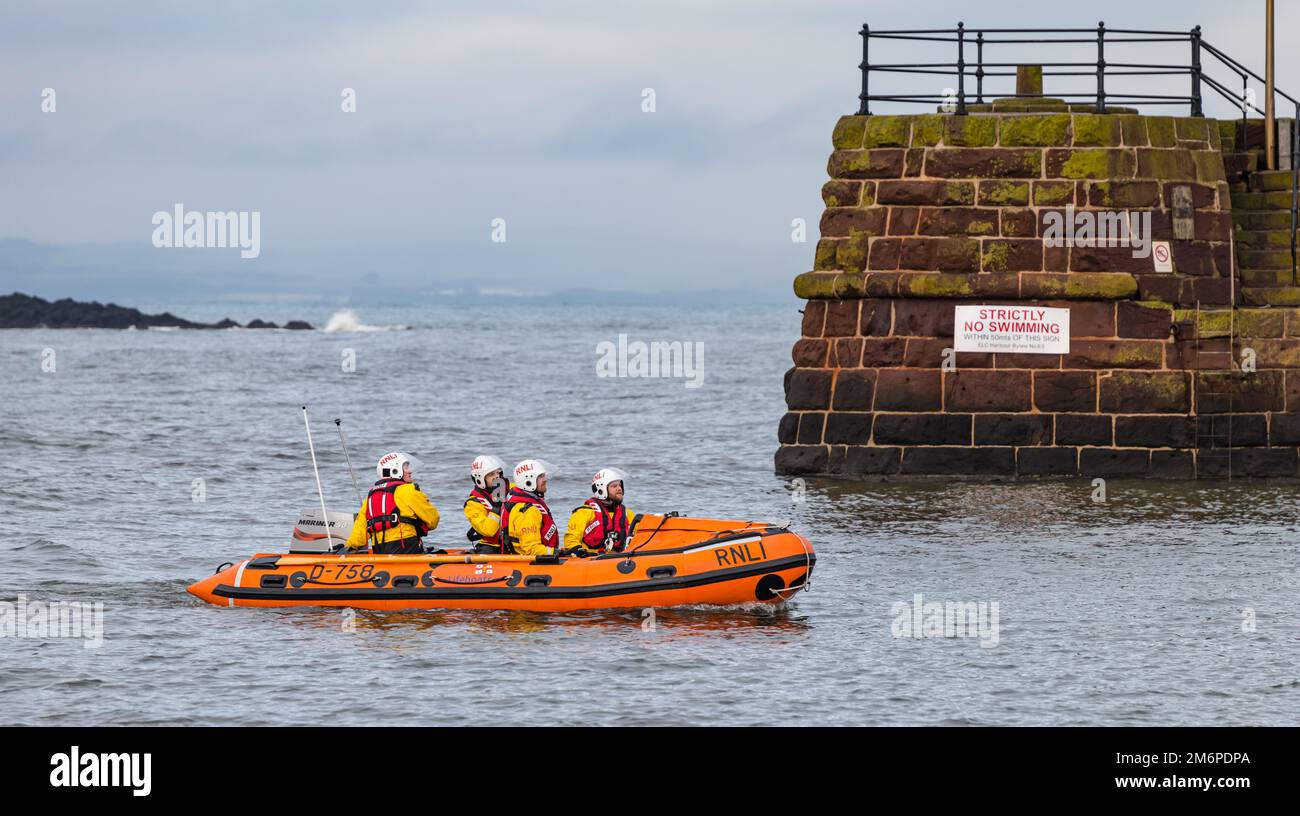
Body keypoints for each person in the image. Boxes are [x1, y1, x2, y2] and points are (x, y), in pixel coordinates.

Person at [344, 451, 440, 554]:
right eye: (406, 467)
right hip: (406, 549)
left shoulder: (371, 496)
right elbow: (433, 519)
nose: (410, 471)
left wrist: (349, 547)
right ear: (395, 470)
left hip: (380, 552)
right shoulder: (408, 490)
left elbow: (360, 528)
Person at [564, 468, 640, 555]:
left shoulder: (628, 514)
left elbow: (641, 536)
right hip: (591, 560)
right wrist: (579, 552)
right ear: (601, 489)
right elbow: (571, 538)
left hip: (620, 558)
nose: (619, 489)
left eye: (620, 485)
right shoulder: (584, 513)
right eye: (614, 486)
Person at [498, 459, 561, 557]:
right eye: (540, 476)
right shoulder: (527, 511)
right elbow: (531, 548)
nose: (545, 479)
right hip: (533, 561)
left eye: (544, 475)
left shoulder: (526, 501)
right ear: (528, 481)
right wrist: (557, 553)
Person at [463, 454, 509, 554]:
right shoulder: (472, 504)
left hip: (513, 543)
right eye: (491, 474)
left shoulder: (510, 490)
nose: (497, 476)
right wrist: (496, 508)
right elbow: (488, 530)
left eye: (498, 473)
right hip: (492, 546)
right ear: (480, 478)